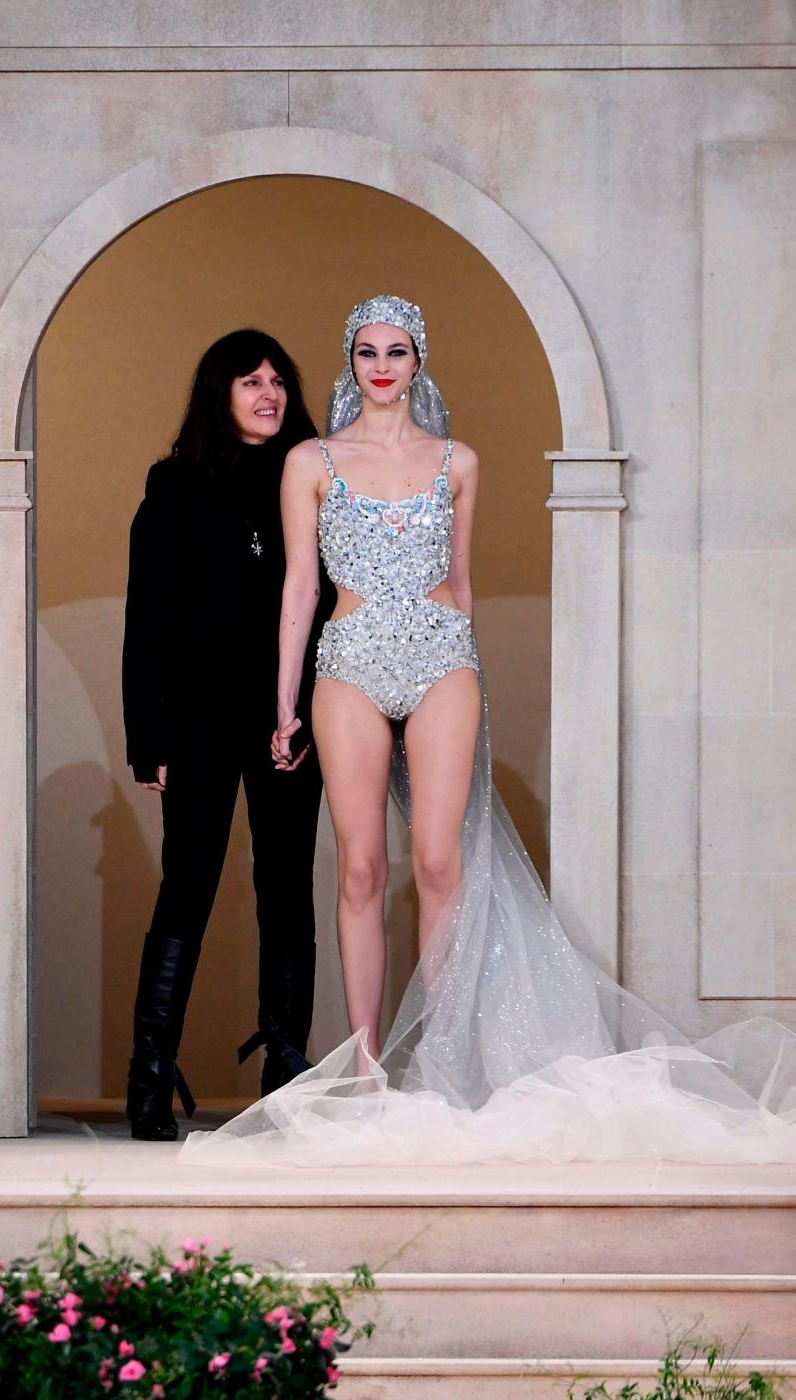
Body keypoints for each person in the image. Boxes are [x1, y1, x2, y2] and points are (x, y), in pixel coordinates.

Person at [181, 296, 796, 1168]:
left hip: (441, 659)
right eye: (367, 351)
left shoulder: (458, 462)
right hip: (348, 659)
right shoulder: (310, 462)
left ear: (420, 361)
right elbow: (299, 594)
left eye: (398, 351)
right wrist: (284, 704)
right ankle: (362, 1072)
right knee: (361, 865)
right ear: (349, 362)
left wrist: (472, 692)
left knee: (439, 860)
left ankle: (442, 1059)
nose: (383, 365)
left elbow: (462, 587)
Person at [122, 329, 331, 1142]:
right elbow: (148, 619)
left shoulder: (314, 479)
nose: (269, 393)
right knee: (188, 887)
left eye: (280, 380)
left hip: (290, 717)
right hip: (198, 719)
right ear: (222, 392)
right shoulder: (173, 485)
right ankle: (148, 1078)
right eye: (251, 381)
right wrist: (150, 736)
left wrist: (315, 710)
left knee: (287, 887)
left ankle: (286, 1068)